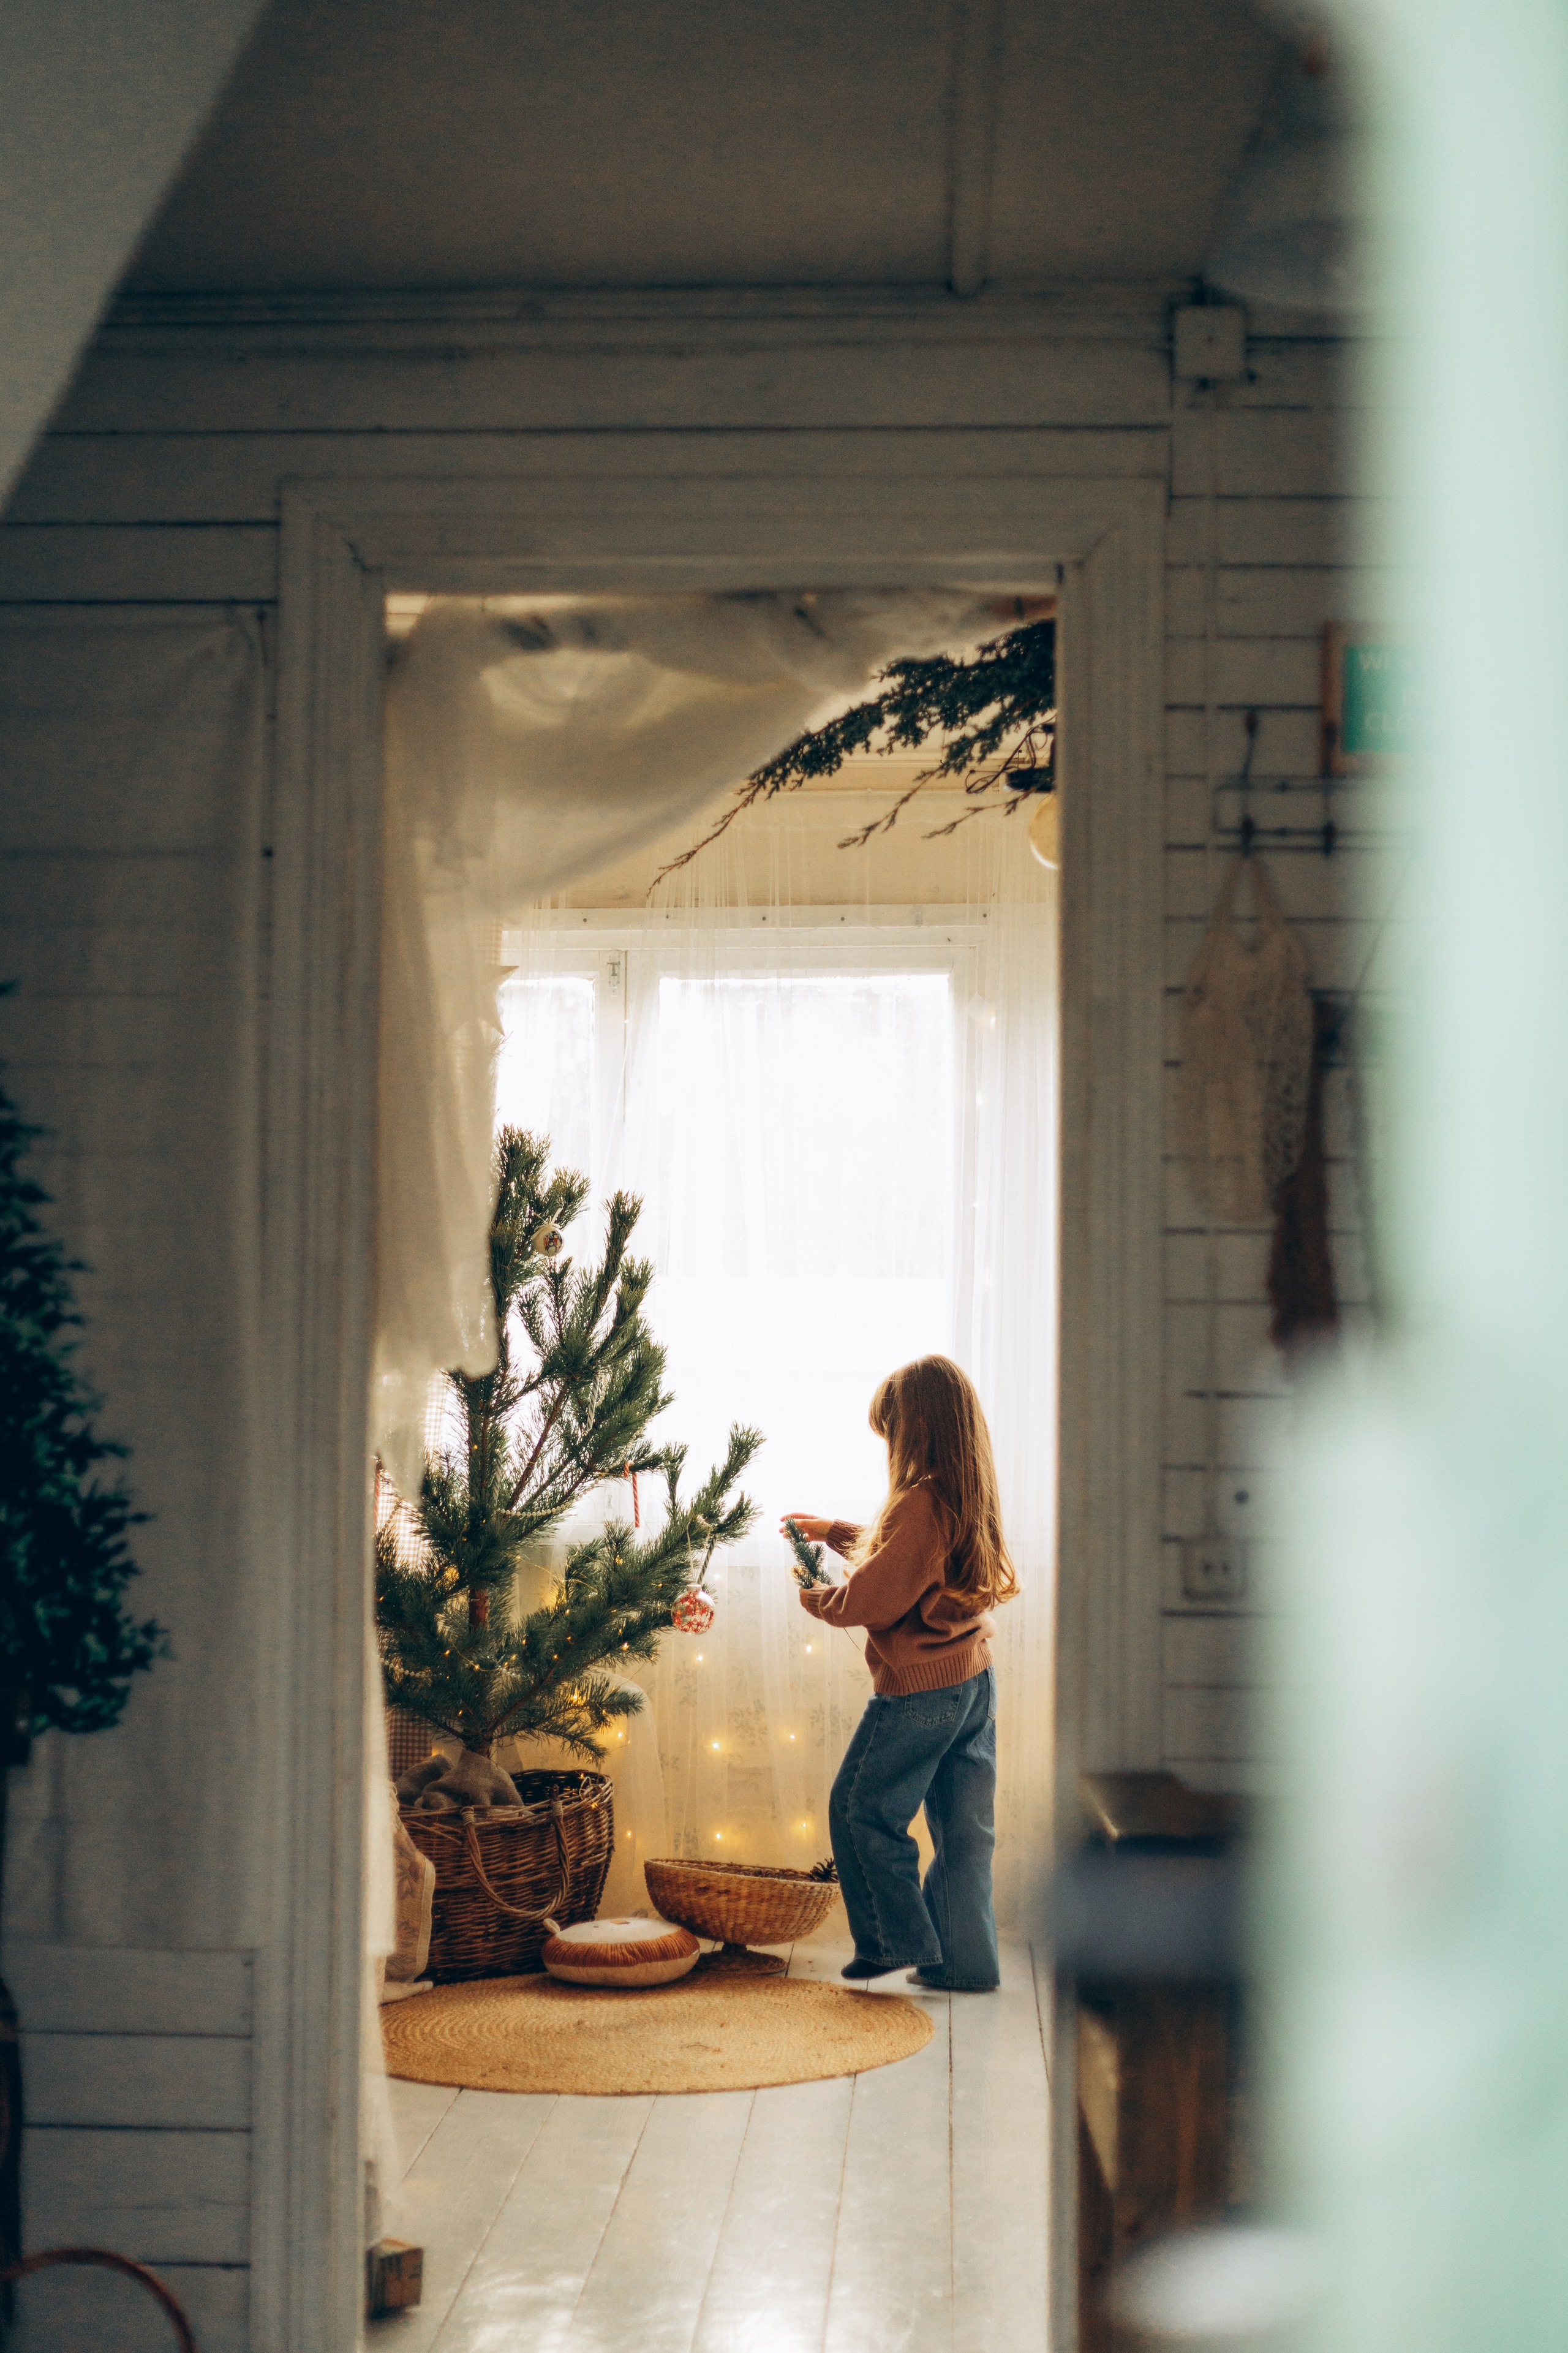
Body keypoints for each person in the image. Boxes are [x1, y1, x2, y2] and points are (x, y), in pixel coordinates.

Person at [783, 1353, 1018, 1992]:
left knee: (862, 1809)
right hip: (973, 1683)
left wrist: (812, 1589)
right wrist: (834, 1531)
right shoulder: (965, 1491)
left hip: (922, 1692)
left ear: (913, 1430)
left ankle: (893, 1940)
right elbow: (912, 1558)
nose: (889, 1446)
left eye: (890, 1433)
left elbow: (871, 1598)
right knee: (965, 1834)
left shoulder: (917, 1501)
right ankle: (964, 1963)